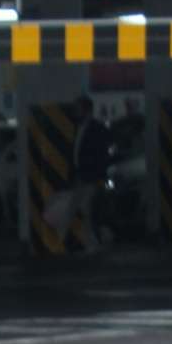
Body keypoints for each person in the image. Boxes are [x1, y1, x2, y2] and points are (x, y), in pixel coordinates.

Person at [48, 95, 113, 254]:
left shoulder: (97, 129)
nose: (75, 112)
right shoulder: (78, 127)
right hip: (80, 176)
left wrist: (98, 174)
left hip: (90, 177)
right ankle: (91, 241)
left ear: (87, 110)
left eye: (78, 109)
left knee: (85, 211)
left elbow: (102, 155)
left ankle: (88, 242)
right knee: (80, 210)